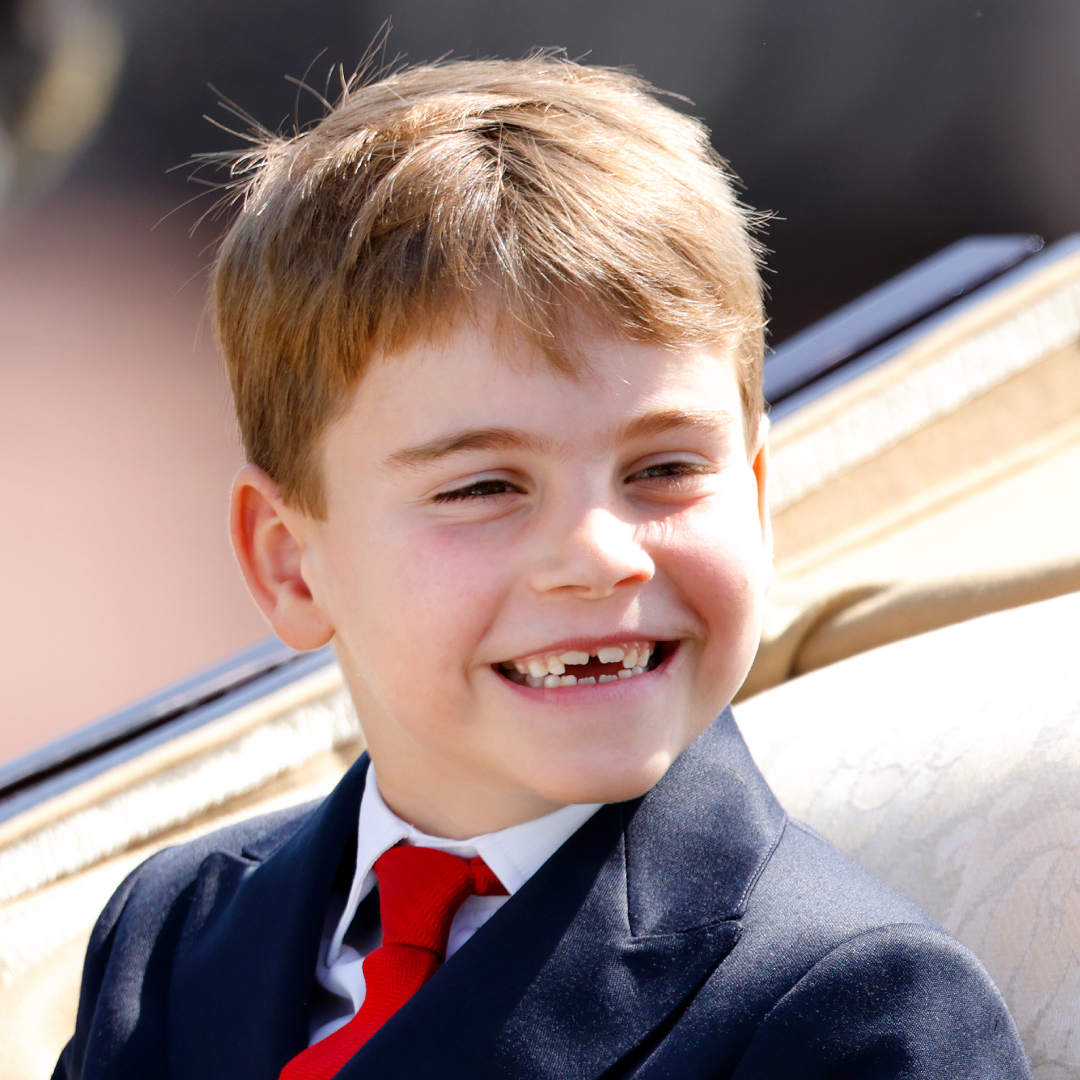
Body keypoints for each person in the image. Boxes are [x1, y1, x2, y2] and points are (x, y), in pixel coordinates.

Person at [54, 57, 1031, 1079]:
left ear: (755, 493)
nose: (601, 555)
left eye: (663, 470)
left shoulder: (855, 1013)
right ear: (292, 563)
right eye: (484, 488)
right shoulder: (171, 932)